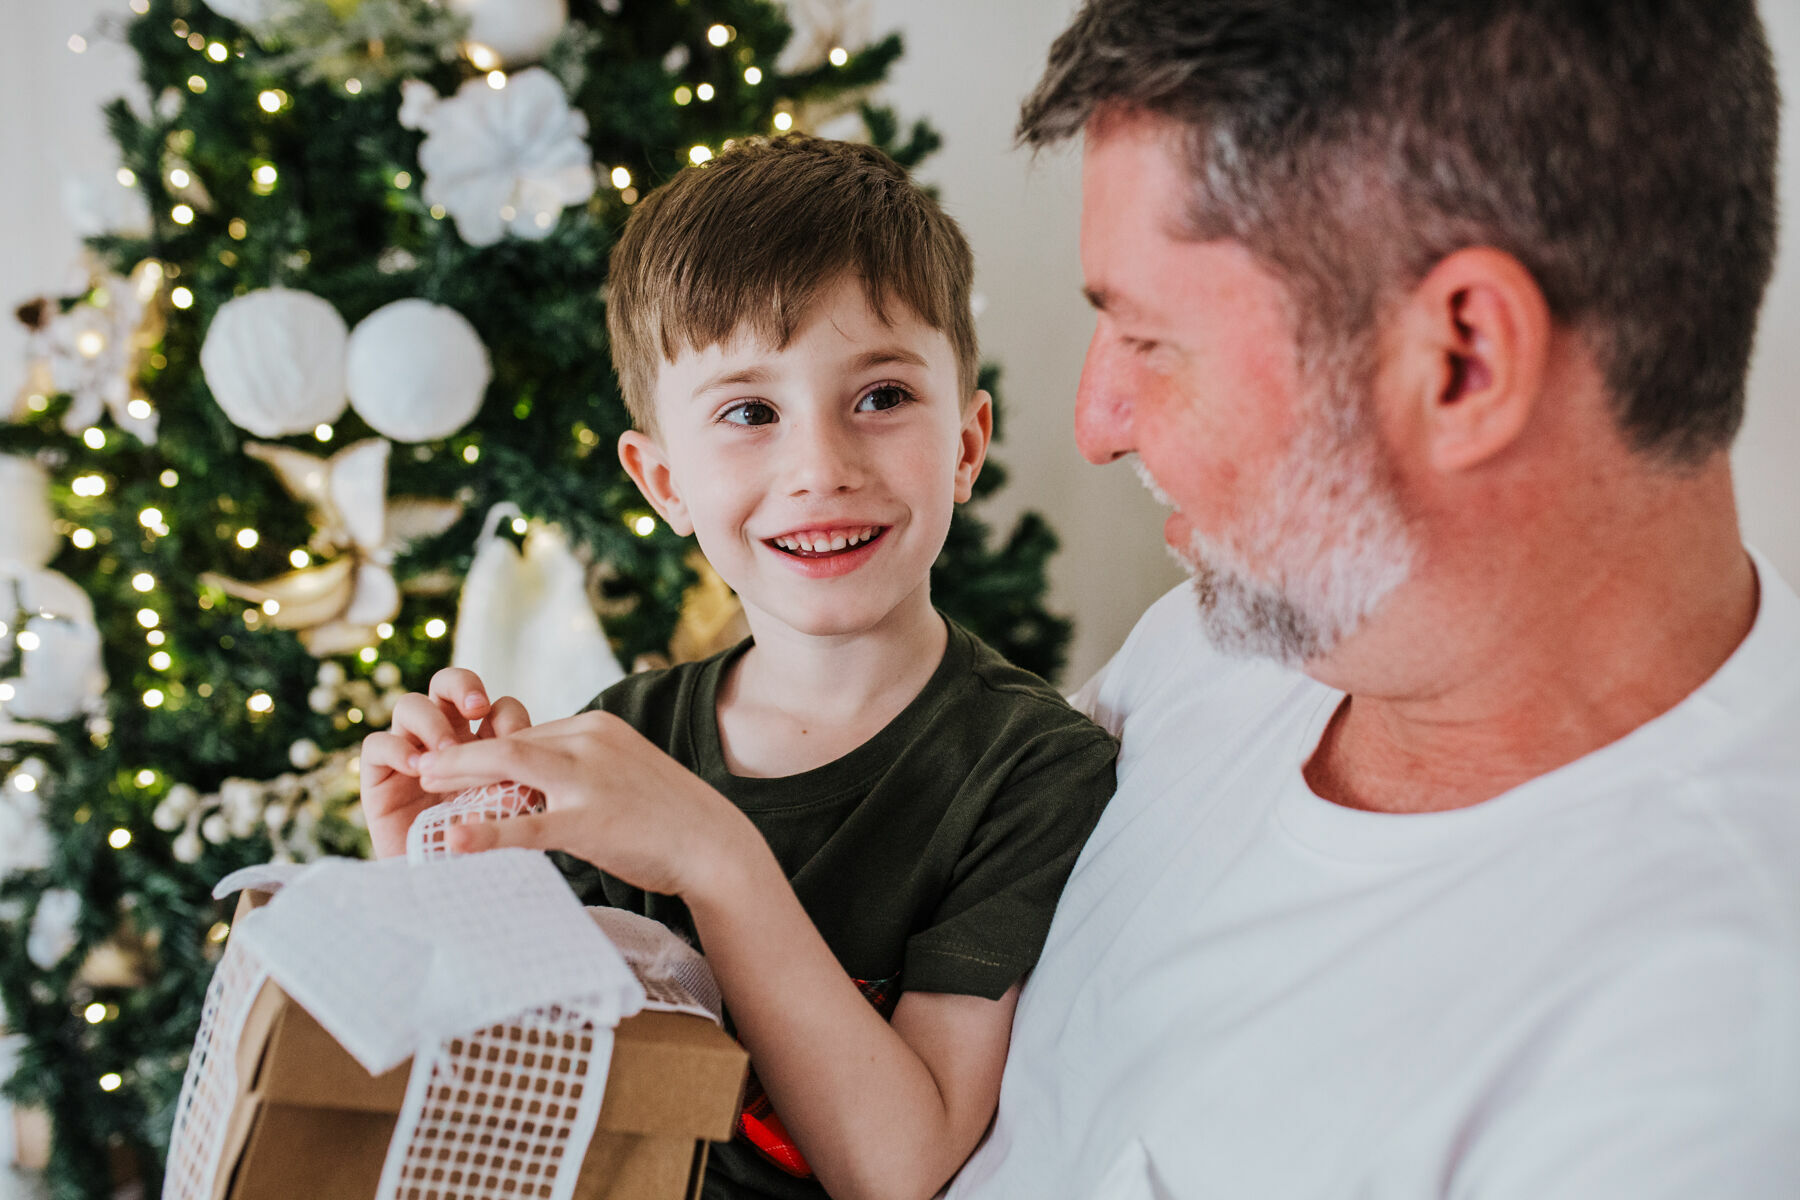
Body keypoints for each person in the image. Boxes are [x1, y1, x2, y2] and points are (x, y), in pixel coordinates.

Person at [944, 1, 1800, 1197]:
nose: (1096, 424)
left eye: (1150, 340)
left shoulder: (1699, 1090)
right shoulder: (1233, 634)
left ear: (1463, 361)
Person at [359, 135, 1118, 1200]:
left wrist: (713, 855)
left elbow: (898, 1168)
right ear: (662, 479)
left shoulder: (1032, 770)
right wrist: (433, 876)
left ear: (966, 440)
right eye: (749, 413)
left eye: (883, 395)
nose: (822, 467)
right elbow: (512, 1095)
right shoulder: (620, 741)